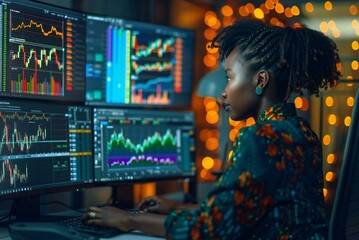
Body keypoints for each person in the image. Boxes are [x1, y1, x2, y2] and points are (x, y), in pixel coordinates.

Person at [82, 18, 341, 239]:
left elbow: (211, 229)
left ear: (260, 80)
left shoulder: (260, 138)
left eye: (229, 77)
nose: (223, 92)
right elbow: (248, 211)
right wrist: (177, 208)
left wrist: (129, 220)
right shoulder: (303, 132)